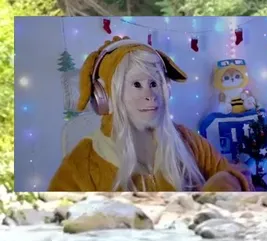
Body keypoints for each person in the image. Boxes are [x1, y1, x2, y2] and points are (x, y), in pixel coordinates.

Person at [48, 36, 250, 193]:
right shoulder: (82, 163)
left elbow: (233, 174)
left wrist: (226, 182)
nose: (150, 95)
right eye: (137, 84)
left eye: (154, 83)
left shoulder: (188, 141)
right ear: (104, 96)